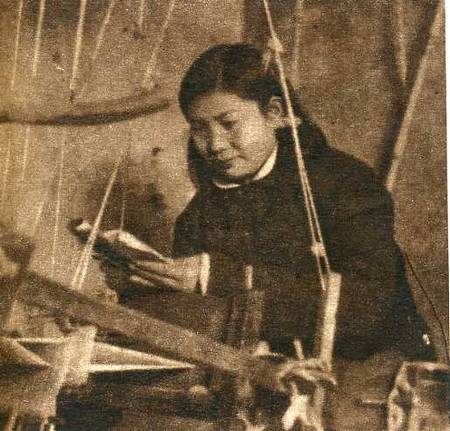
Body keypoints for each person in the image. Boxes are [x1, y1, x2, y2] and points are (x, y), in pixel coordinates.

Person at [100, 44, 435, 430]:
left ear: (274, 113)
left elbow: (366, 308)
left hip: (371, 384)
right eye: (200, 128)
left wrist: (215, 276)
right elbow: (197, 333)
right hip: (265, 385)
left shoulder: (345, 184)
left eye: (229, 123)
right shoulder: (198, 216)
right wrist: (140, 293)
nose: (215, 144)